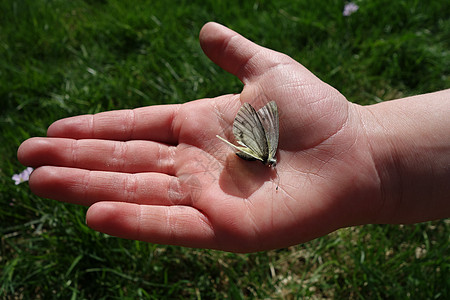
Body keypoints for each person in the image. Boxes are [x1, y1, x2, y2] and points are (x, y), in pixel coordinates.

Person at [17, 22, 450, 253]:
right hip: (251, 148)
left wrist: (369, 149)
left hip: (250, 147)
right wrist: (373, 149)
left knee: (262, 153)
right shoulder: (268, 152)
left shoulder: (269, 152)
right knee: (262, 153)